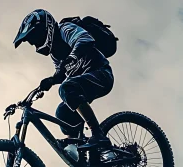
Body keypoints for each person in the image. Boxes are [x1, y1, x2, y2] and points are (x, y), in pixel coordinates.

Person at [13, 9, 114, 152]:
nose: (35, 43)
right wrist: (51, 80)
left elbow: (86, 39)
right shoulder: (55, 53)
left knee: (67, 89)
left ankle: (98, 134)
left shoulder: (64, 29)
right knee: (62, 112)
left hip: (101, 74)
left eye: (35, 38)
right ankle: (81, 153)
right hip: (83, 83)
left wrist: (72, 56)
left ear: (45, 29)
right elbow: (62, 74)